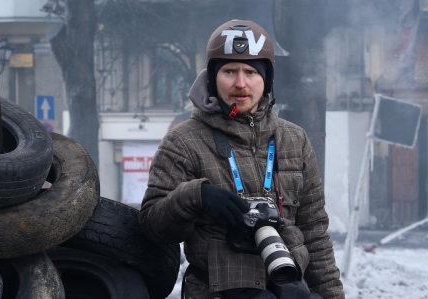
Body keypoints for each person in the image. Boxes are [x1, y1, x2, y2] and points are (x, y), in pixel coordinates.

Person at [139, 19, 345, 299]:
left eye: (251, 71)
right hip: (217, 290)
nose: (240, 83)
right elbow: (151, 226)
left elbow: (315, 234)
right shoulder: (183, 141)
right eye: (229, 71)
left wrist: (331, 295)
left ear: (266, 80)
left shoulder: (295, 139)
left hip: (290, 288)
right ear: (212, 78)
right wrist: (195, 197)